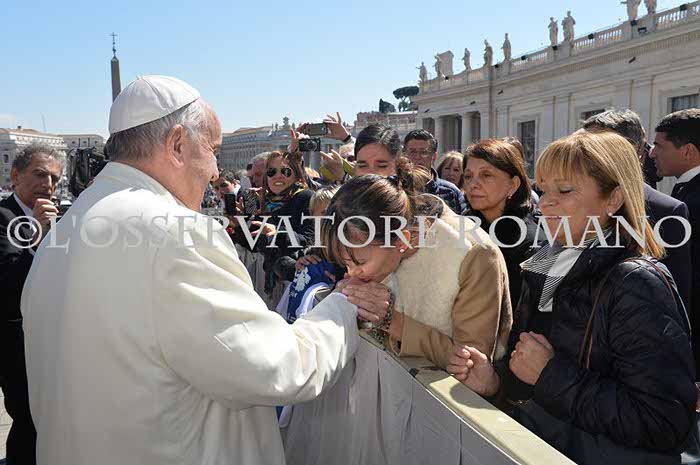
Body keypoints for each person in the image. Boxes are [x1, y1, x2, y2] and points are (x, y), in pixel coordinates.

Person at [21, 75, 389, 465]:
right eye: (212, 151)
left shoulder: (64, 229)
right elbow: (278, 367)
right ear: (178, 144)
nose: (215, 172)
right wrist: (343, 305)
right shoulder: (176, 233)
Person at [448, 131, 696, 465]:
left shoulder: (636, 282)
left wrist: (549, 374)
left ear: (613, 199)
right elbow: (529, 369)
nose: (545, 202)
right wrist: (495, 380)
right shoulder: (544, 263)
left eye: (564, 190)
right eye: (544, 189)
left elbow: (663, 421)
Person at [321, 160, 512, 369]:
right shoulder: (374, 240)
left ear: (402, 240)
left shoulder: (472, 255)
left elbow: (471, 364)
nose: (352, 272)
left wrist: (391, 320)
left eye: (360, 262)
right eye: (345, 263)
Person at [582, 109, 692, 312]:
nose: (583, 155)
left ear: (631, 150)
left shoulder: (666, 210)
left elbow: (677, 298)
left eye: (595, 147)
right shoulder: (570, 202)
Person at [1, 143, 64, 465]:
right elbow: (9, 279)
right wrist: (38, 235)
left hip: (47, 336)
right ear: (15, 176)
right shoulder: (3, 217)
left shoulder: (58, 219)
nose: (48, 184)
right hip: (14, 340)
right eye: (40, 174)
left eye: (54, 178)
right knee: (28, 417)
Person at [462, 139, 541, 309]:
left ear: (513, 185)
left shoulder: (531, 244)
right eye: (468, 176)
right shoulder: (464, 228)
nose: (473, 185)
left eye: (486, 175)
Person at [650, 108, 700, 374]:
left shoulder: (693, 201)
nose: (652, 153)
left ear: (688, 151)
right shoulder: (687, 192)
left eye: (659, 145)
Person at [403, 129, 468, 214]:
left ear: (434, 156)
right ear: (404, 155)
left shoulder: (451, 192)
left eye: (423, 152)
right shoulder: (393, 188)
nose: (417, 157)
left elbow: (465, 221)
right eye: (412, 152)